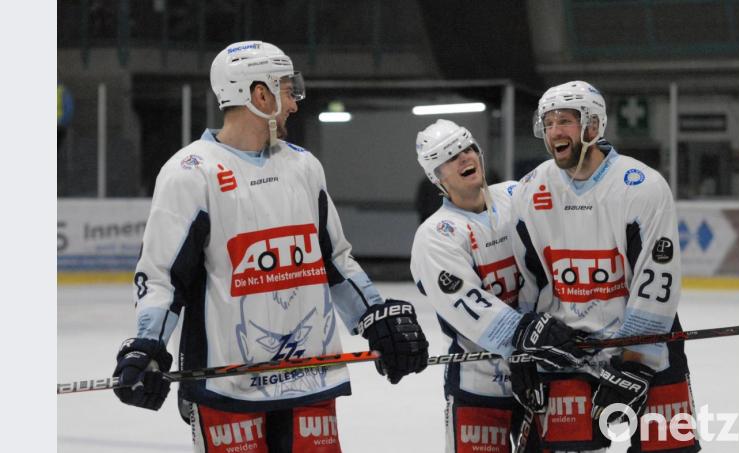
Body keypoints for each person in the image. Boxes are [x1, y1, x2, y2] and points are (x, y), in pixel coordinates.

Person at [111, 41, 429, 453]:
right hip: (229, 387)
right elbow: (163, 279)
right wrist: (147, 346)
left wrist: (375, 316)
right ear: (258, 95)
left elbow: (334, 260)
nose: (294, 103)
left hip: (310, 381)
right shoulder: (191, 173)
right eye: (285, 88)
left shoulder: (303, 165)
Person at [509, 81, 700, 452]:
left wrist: (636, 362)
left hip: (647, 347)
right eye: (547, 123)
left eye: (564, 121)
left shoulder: (641, 186)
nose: (553, 132)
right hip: (567, 350)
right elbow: (529, 280)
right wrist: (524, 348)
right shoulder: (531, 190)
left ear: (594, 126)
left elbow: (657, 279)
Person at [410, 119, 542, 452]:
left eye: (468, 149)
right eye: (452, 156)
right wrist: (532, 339)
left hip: (541, 374)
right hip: (478, 386)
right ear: (437, 177)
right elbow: (471, 307)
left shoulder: (515, 196)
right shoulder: (435, 235)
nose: (466, 158)